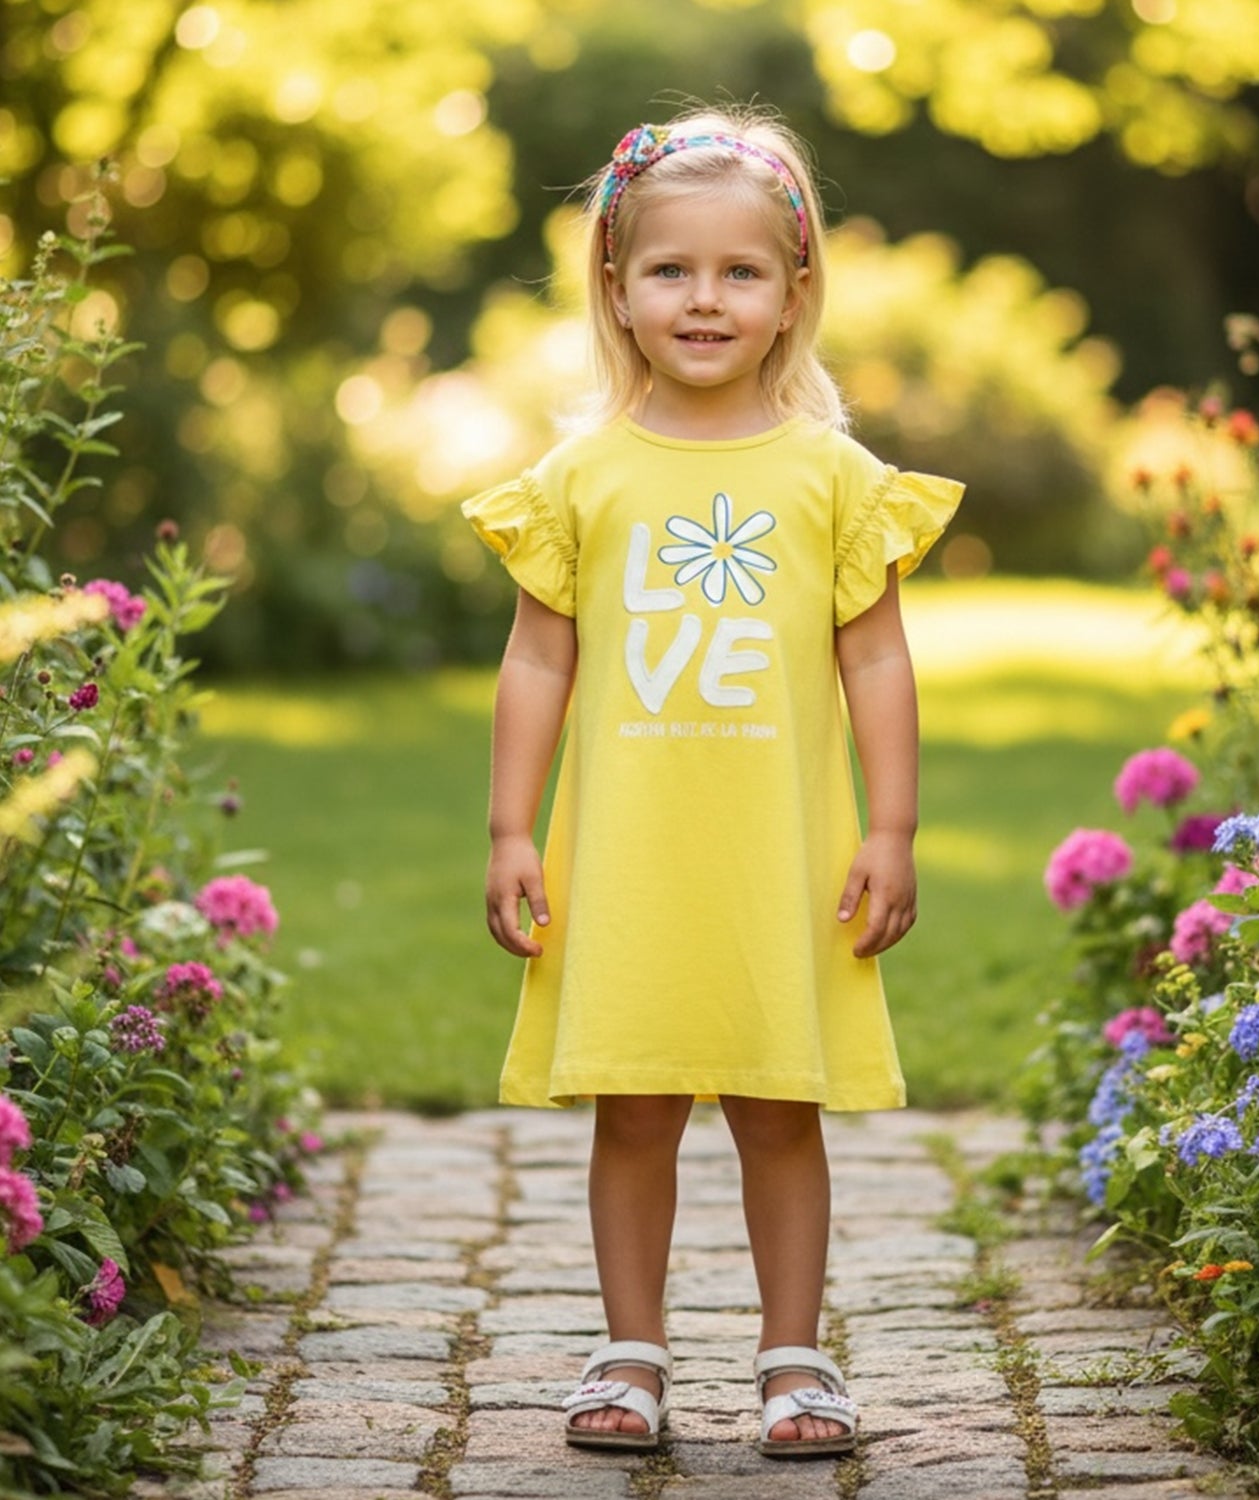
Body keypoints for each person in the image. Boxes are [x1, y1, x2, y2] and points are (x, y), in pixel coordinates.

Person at [462, 104, 963, 1459]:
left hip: (777, 860)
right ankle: (631, 1352)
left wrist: (894, 828)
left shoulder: (832, 478)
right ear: (615, 287)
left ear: (794, 292)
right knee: (632, 1107)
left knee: (778, 1106)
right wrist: (512, 828)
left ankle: (795, 1359)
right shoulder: (581, 478)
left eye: (740, 271)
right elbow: (538, 660)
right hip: (629, 857)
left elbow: (876, 662)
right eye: (670, 269)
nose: (703, 298)